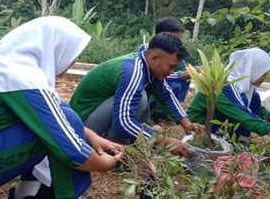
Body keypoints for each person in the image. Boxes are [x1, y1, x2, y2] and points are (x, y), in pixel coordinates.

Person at [0, 16, 123, 198]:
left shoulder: (1, 66)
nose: (72, 62)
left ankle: (28, 192)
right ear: (55, 49)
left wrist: (92, 136)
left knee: (60, 118)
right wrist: (108, 164)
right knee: (59, 129)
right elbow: (70, 150)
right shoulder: (23, 78)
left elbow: (52, 114)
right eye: (72, 54)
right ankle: (62, 194)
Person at [70, 32, 203, 157]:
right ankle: (114, 149)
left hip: (94, 117)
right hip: (83, 128)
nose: (172, 72)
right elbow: (124, 122)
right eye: (171, 66)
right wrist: (164, 141)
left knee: (141, 97)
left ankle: (125, 140)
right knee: (141, 98)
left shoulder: (147, 63)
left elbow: (166, 94)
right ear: (155, 58)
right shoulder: (133, 71)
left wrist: (186, 123)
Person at [187, 48, 270, 143]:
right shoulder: (224, 86)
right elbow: (241, 115)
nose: (266, 76)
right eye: (263, 73)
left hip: (218, 119)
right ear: (251, 69)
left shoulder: (242, 85)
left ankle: (234, 137)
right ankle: (225, 139)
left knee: (254, 98)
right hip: (200, 122)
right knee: (244, 113)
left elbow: (255, 107)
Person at [139, 17, 192, 120]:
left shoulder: (173, 53)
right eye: (176, 39)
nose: (179, 43)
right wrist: (181, 75)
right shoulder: (148, 50)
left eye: (180, 40)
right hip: (147, 91)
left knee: (186, 77)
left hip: (162, 85)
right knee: (174, 85)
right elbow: (155, 76)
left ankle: (171, 110)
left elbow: (183, 67)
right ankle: (155, 112)